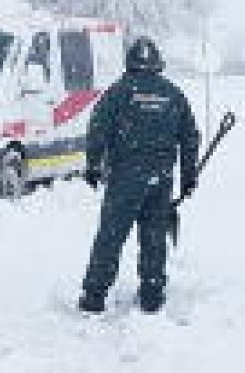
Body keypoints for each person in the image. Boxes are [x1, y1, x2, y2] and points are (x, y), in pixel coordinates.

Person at [79, 36, 200, 314]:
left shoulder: (119, 92)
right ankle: (152, 295)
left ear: (130, 62)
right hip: (161, 179)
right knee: (154, 238)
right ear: (157, 63)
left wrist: (93, 165)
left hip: (125, 178)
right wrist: (188, 174)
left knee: (111, 237)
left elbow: (97, 128)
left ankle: (94, 295)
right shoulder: (173, 94)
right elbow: (189, 137)